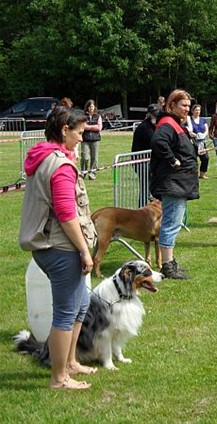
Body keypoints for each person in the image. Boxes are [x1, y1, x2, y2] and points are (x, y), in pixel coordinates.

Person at [19, 106, 97, 390]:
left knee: (80, 306)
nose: (81, 139)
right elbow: (66, 214)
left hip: (52, 245)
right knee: (66, 312)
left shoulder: (48, 156)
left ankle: (70, 362)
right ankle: (59, 377)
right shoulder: (60, 166)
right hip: (60, 247)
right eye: (78, 133)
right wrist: (85, 251)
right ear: (65, 130)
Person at [150, 89, 199, 279]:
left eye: (188, 105)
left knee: (173, 223)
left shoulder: (175, 124)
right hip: (173, 182)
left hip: (179, 182)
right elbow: (158, 142)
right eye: (183, 105)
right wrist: (173, 160)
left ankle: (170, 262)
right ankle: (167, 266)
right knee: (171, 223)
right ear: (171, 105)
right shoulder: (168, 124)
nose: (187, 109)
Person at [131, 104, 159, 207]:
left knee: (152, 188)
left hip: (150, 161)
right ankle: (141, 211)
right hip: (141, 161)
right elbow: (154, 142)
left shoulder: (153, 126)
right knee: (145, 189)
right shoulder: (144, 127)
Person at [81, 99, 102, 180]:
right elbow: (83, 126)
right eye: (89, 106)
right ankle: (83, 172)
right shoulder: (83, 116)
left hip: (95, 139)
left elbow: (99, 128)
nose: (91, 108)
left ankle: (92, 173)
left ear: (94, 107)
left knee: (94, 157)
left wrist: (88, 127)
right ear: (87, 107)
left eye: (92, 106)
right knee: (85, 157)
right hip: (85, 139)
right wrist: (93, 127)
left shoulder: (98, 116)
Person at [188, 104, 210, 180]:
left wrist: (203, 135)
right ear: (192, 111)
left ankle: (202, 174)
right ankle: (192, 174)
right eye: (196, 110)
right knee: (193, 158)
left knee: (205, 158)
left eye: (199, 110)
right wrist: (194, 135)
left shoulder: (202, 120)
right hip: (193, 142)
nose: (198, 112)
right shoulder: (189, 120)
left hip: (202, 142)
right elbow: (188, 130)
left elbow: (206, 129)